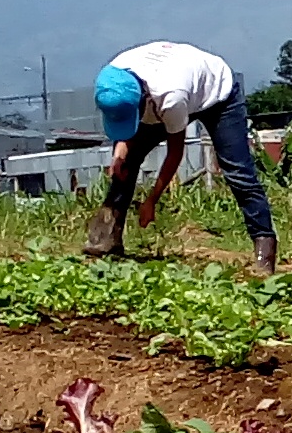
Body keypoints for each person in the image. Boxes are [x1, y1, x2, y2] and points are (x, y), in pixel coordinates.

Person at [86, 42, 279, 274]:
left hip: (216, 94)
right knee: (124, 163)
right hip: (173, 85)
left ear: (143, 100)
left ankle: (264, 248)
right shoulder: (113, 79)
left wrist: (151, 201)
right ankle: (106, 239)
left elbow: (175, 153)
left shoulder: (170, 97)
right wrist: (121, 148)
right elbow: (123, 118)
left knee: (238, 172)